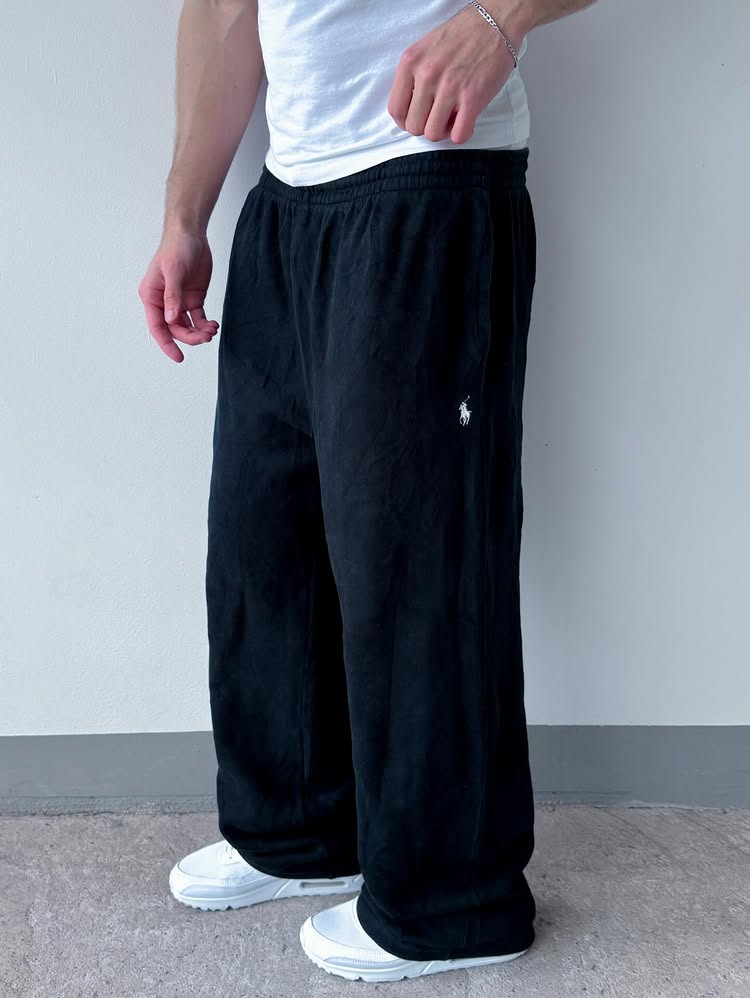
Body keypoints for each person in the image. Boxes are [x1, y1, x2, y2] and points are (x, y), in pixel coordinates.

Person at [138, 0, 596, 983]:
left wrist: (501, 20)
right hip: (289, 198)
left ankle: (455, 900)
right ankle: (302, 831)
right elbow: (221, 9)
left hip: (429, 175)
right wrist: (185, 214)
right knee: (267, 543)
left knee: (417, 559)